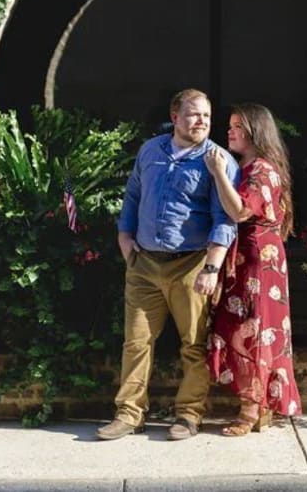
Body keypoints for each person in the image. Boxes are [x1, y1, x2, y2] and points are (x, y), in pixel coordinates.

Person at [96, 88, 240, 441]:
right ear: (175, 117)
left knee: (194, 344)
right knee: (136, 342)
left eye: (206, 115)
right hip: (144, 263)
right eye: (193, 114)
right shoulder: (151, 151)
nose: (202, 121)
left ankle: (189, 416)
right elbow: (133, 194)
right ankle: (129, 414)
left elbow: (226, 219)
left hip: (190, 264)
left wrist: (211, 268)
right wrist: (125, 239)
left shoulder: (217, 160)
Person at [204, 102, 303, 435]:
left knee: (256, 330)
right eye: (230, 125)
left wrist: (217, 172)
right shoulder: (247, 166)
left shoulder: (262, 169)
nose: (230, 131)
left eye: (238, 126)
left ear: (256, 132)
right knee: (244, 325)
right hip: (249, 258)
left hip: (258, 261)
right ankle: (257, 407)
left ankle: (252, 409)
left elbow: (240, 211)